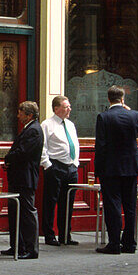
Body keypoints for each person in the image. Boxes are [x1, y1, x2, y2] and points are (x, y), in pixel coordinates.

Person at [93, 86, 138, 255]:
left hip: (110, 169)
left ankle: (115, 243)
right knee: (130, 206)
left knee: (113, 206)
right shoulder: (133, 115)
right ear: (123, 98)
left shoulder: (104, 117)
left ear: (109, 99)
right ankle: (130, 243)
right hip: (131, 167)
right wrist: (132, 112)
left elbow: (101, 146)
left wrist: (98, 169)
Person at [2, 101, 44, 260]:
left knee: (26, 212)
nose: (18, 116)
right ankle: (17, 246)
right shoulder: (28, 129)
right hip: (18, 177)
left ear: (29, 115)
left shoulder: (34, 131)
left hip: (25, 178)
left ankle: (31, 248)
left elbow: (23, 152)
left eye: (21, 113)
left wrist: (8, 158)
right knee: (15, 211)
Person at [40, 95, 80, 246]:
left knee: (68, 202)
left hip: (70, 167)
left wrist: (75, 162)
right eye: (65, 106)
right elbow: (43, 146)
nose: (69, 109)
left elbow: (75, 143)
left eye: (69, 106)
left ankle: (65, 235)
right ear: (56, 109)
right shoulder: (47, 124)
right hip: (55, 166)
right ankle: (49, 235)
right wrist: (47, 165)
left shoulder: (70, 124)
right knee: (51, 201)